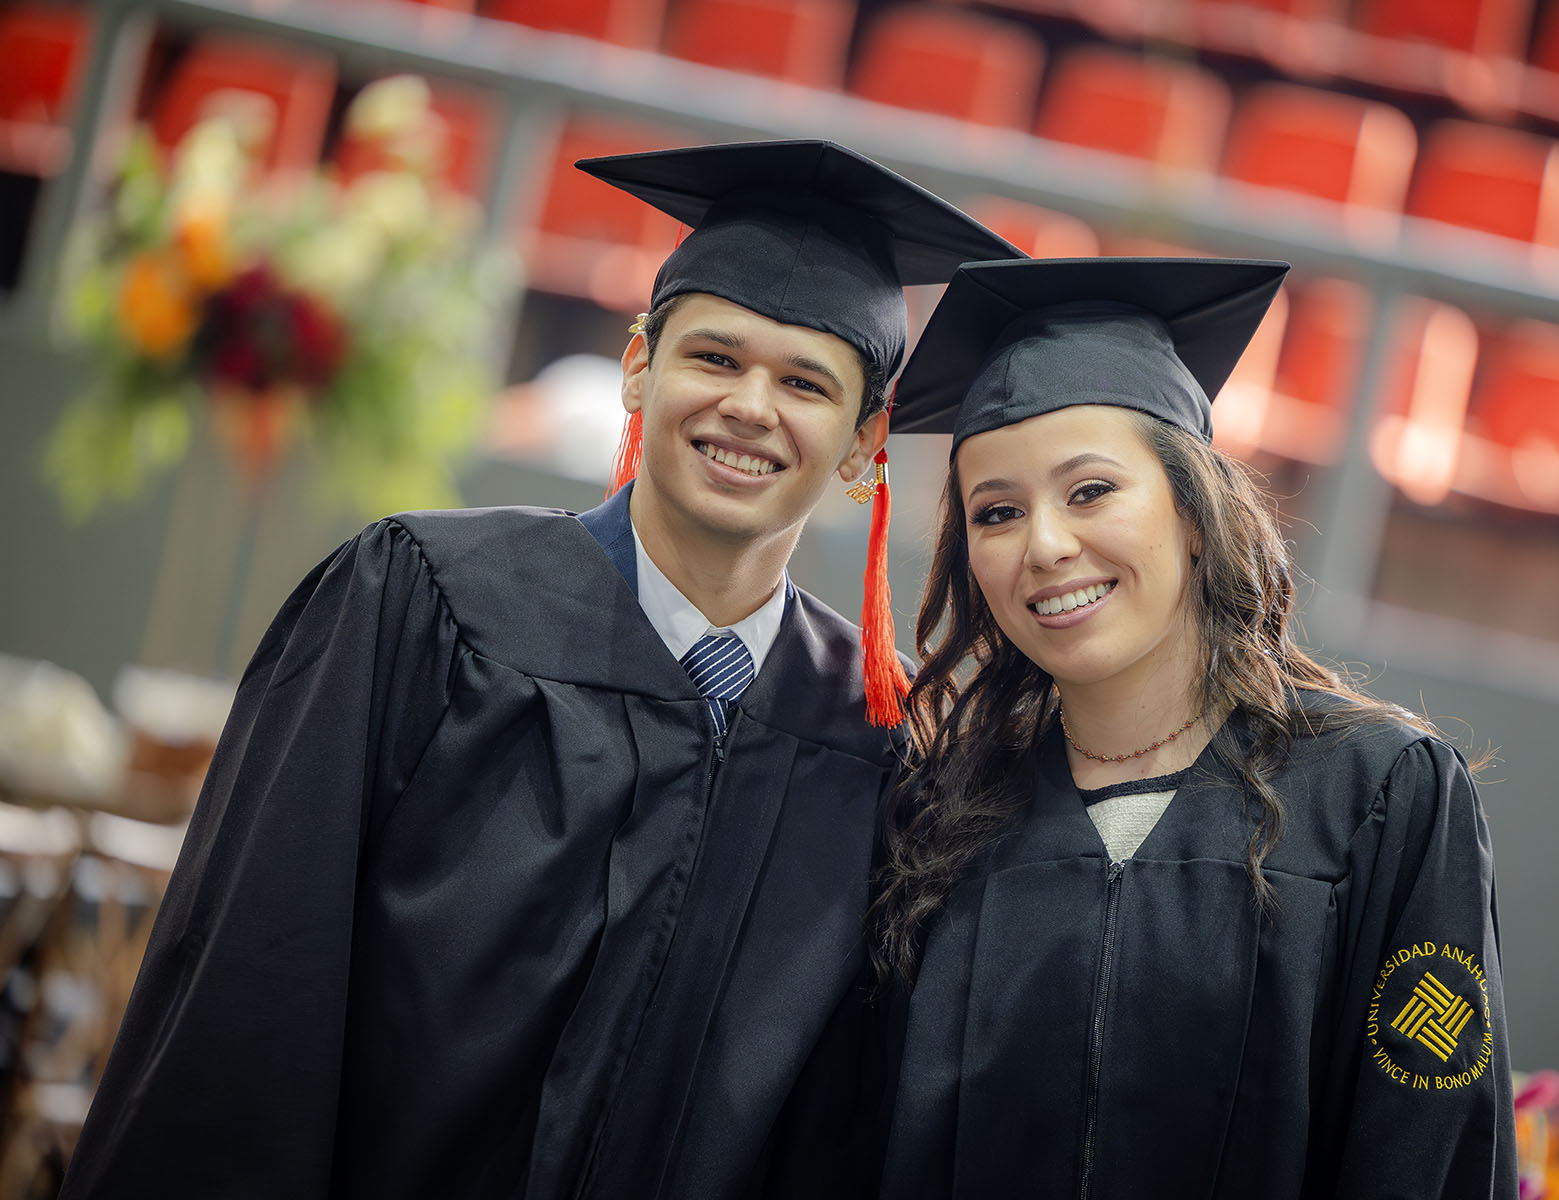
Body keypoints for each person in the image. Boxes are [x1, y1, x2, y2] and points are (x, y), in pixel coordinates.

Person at [61, 140, 1020, 1200]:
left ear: (863, 439)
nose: (752, 405)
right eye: (714, 357)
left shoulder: (874, 740)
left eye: (805, 381)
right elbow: (251, 982)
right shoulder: (423, 602)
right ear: (638, 367)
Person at [870, 257, 1515, 1198]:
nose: (1045, 545)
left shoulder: (1377, 797)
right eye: (997, 512)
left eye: (1090, 491)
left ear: (1196, 514)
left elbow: (1426, 1148)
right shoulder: (942, 817)